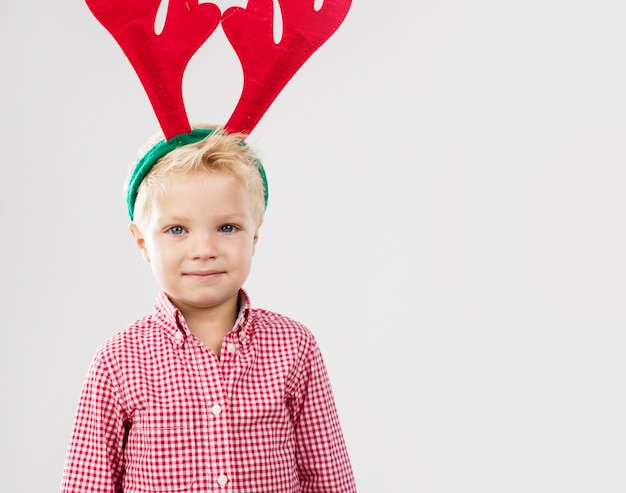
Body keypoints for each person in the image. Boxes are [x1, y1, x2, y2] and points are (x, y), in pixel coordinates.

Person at [60, 125, 357, 492]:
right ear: (142, 241)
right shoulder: (118, 361)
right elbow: (88, 483)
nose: (203, 249)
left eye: (227, 227)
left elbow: (328, 476)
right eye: (176, 230)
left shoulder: (295, 347)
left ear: (255, 236)